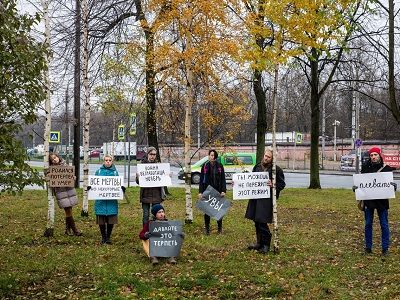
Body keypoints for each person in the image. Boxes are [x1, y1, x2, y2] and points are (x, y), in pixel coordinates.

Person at [355, 146, 397, 256]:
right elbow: (361, 184)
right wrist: (356, 188)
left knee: (384, 224)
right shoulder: (365, 168)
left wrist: (394, 186)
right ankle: (368, 248)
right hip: (369, 200)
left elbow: (389, 185)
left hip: (382, 202)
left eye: (375, 155)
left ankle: (385, 249)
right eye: (372, 155)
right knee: (368, 224)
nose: (373, 157)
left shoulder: (386, 169)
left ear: (379, 155)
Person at [245, 148, 285, 253]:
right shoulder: (257, 166)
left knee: (262, 221)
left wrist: (273, 185)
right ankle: (259, 243)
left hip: (266, 200)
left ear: (272, 159)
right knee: (256, 221)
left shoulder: (276, 170)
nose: (266, 158)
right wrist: (238, 184)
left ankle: (266, 245)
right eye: (265, 156)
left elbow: (282, 184)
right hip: (255, 198)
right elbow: (250, 180)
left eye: (268, 157)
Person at [92, 155, 125, 244]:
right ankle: (103, 237)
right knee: (101, 219)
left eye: (110, 160)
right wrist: (90, 187)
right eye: (106, 160)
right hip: (101, 200)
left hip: (111, 201)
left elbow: (118, 185)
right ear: (103, 161)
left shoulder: (115, 173)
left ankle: (108, 237)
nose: (108, 162)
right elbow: (94, 184)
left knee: (111, 219)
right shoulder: (98, 172)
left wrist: (121, 188)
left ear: (112, 161)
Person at [48, 153, 82, 236]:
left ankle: (67, 230)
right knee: (68, 211)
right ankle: (75, 230)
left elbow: (71, 176)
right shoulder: (51, 170)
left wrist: (73, 178)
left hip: (70, 191)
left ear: (58, 157)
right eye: (52, 159)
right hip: (61, 193)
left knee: (69, 210)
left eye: (55, 157)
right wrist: (50, 178)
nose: (54, 159)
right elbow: (52, 182)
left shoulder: (66, 166)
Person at [198, 149, 227, 235]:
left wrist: (223, 190)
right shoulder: (205, 166)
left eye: (212, 155)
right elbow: (201, 180)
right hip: (207, 191)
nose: (211, 156)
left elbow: (223, 179)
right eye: (210, 155)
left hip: (217, 191)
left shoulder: (220, 166)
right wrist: (200, 192)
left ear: (215, 157)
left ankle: (219, 228)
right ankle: (207, 229)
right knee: (207, 211)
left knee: (218, 210)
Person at [136, 147, 165, 225]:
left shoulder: (159, 166)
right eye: (151, 154)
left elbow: (162, 180)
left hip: (156, 194)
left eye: (154, 154)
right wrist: (138, 177)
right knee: (146, 215)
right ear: (147, 154)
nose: (152, 156)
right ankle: (145, 232)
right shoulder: (142, 166)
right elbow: (138, 182)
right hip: (145, 194)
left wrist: (166, 176)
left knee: (156, 214)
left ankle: (155, 232)